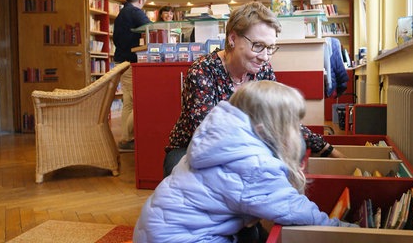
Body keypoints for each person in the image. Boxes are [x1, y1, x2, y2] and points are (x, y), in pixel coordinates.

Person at [133, 81, 358, 243]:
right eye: (293, 124)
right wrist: (347, 230)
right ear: (266, 130)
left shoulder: (222, 137)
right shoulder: (255, 165)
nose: (297, 131)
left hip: (157, 231)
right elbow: (294, 209)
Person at [163, 1, 345, 177]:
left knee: (297, 144)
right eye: (258, 46)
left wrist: (328, 150)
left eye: (270, 48)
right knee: (180, 169)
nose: (265, 57)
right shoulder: (202, 70)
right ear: (232, 38)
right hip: (193, 147)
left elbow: (282, 117)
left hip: (249, 143)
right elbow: (207, 133)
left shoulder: (263, 70)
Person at [113, 0, 151, 151]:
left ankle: (126, 138)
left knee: (129, 101)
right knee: (138, 101)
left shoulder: (122, 13)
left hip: (121, 61)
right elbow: (152, 27)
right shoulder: (135, 12)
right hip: (130, 62)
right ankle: (127, 139)